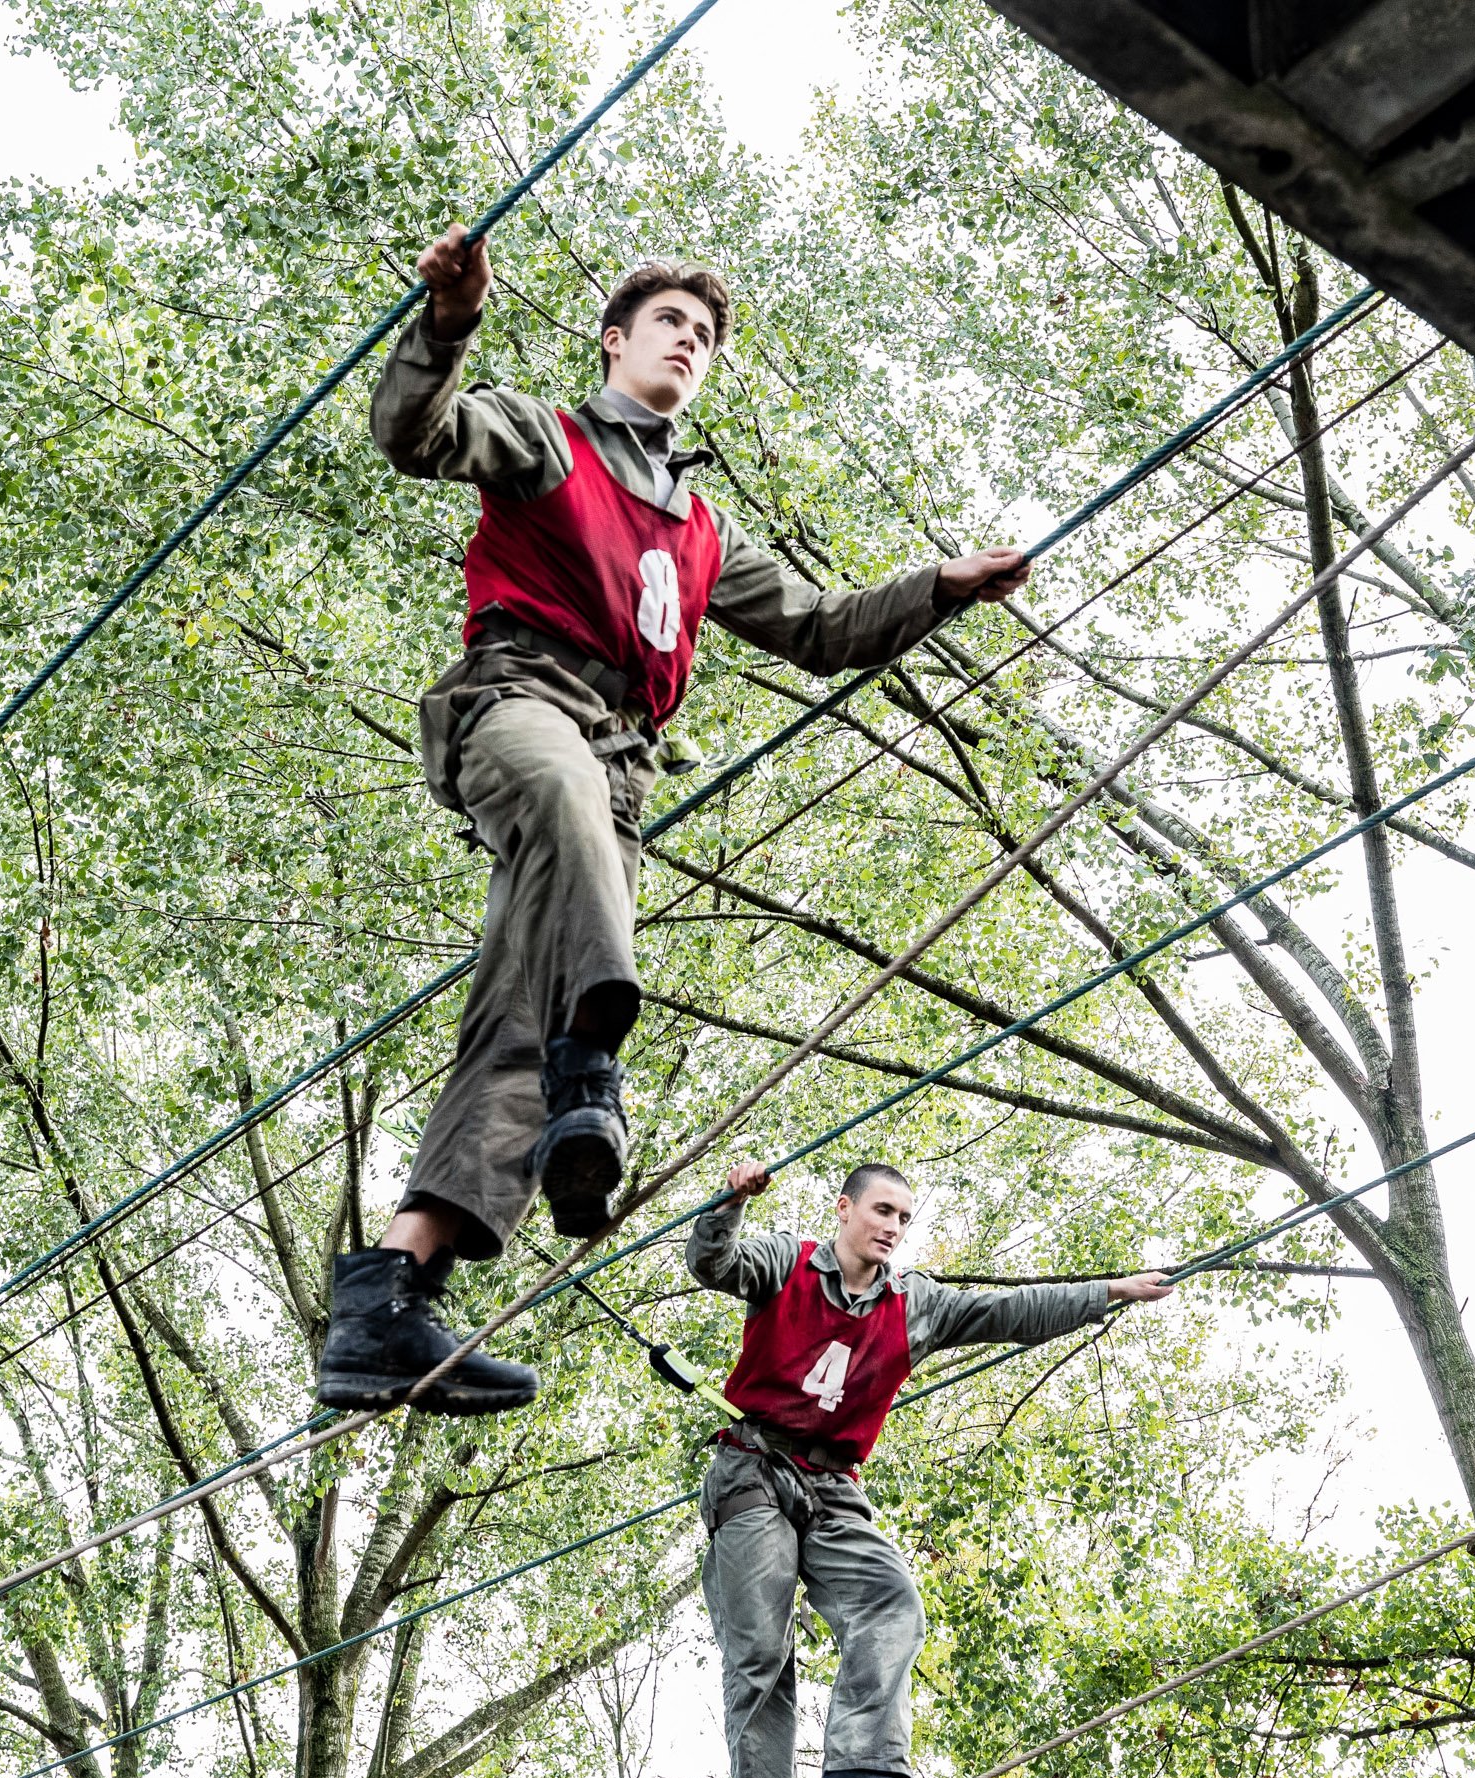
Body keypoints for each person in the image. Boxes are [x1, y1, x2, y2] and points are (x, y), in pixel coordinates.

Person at [315, 229, 1033, 1418]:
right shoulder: (546, 439)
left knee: (514, 1022)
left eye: (702, 337)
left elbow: (817, 626)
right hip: (518, 704)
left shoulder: (701, 533)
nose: (687, 344)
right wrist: (447, 323)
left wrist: (937, 587)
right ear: (615, 341)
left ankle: (389, 1294)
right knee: (562, 819)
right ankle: (590, 1067)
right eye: (667, 325)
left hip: (619, 765)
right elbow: (415, 433)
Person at [686, 1158, 1172, 1778]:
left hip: (833, 1487)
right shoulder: (787, 1263)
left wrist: (1106, 1293)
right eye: (882, 1211)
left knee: (891, 1598)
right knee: (759, 1653)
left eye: (904, 1219)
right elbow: (712, 1262)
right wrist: (730, 1201)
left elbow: (1009, 1311)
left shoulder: (916, 1304)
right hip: (753, 1469)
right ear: (844, 1210)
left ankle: (863, 1767)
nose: (893, 1228)